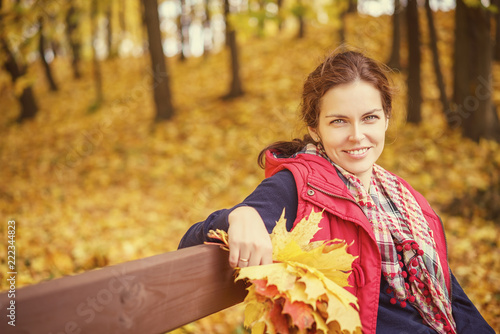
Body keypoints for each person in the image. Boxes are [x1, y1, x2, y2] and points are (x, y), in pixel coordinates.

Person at [178, 50, 494, 334]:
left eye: (369, 117)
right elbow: (189, 246)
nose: (357, 136)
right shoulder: (298, 186)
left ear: (386, 119)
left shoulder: (407, 200)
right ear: (315, 127)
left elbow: (451, 297)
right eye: (339, 121)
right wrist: (239, 215)